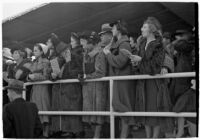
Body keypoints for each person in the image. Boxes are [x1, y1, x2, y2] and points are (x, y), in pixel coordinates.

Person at [132, 17, 173, 138]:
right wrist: (135, 64)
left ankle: (154, 138)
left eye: (144, 27)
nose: (141, 29)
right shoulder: (142, 44)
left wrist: (140, 60)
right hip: (143, 83)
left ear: (151, 29)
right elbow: (141, 68)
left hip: (154, 84)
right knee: (145, 112)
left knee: (154, 112)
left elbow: (155, 67)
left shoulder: (159, 45)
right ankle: (148, 137)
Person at [103, 20, 135, 138]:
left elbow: (120, 62)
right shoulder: (120, 43)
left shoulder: (124, 44)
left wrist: (107, 54)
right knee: (121, 107)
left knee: (123, 107)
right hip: (119, 80)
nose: (112, 30)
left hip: (122, 81)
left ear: (119, 29)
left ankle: (123, 137)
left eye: (114, 28)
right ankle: (124, 136)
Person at [51, 34, 84, 138]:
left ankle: (74, 131)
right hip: (60, 90)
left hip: (72, 89)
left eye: (65, 51)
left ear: (68, 48)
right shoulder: (55, 61)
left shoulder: (77, 57)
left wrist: (68, 62)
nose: (64, 54)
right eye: (61, 53)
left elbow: (79, 72)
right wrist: (52, 76)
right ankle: (60, 129)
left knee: (73, 110)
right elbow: (51, 74)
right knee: (60, 110)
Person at [80, 28, 108, 138]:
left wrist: (86, 76)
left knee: (98, 112)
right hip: (89, 88)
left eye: (83, 42)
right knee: (91, 113)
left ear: (90, 42)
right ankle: (94, 135)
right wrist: (83, 76)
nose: (82, 45)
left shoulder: (99, 54)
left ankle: (96, 136)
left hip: (98, 88)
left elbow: (100, 72)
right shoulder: (86, 54)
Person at [170, 29, 194, 138]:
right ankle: (180, 133)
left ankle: (183, 133)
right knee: (181, 113)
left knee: (186, 114)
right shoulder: (181, 58)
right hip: (181, 88)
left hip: (184, 89)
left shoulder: (184, 59)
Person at [27, 43, 51, 137]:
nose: (34, 52)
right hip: (35, 88)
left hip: (43, 88)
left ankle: (46, 133)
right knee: (36, 109)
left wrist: (34, 76)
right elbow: (29, 74)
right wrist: (29, 77)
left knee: (44, 107)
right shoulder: (34, 62)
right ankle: (39, 132)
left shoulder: (46, 62)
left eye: (36, 50)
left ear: (42, 52)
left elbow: (46, 76)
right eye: (34, 50)